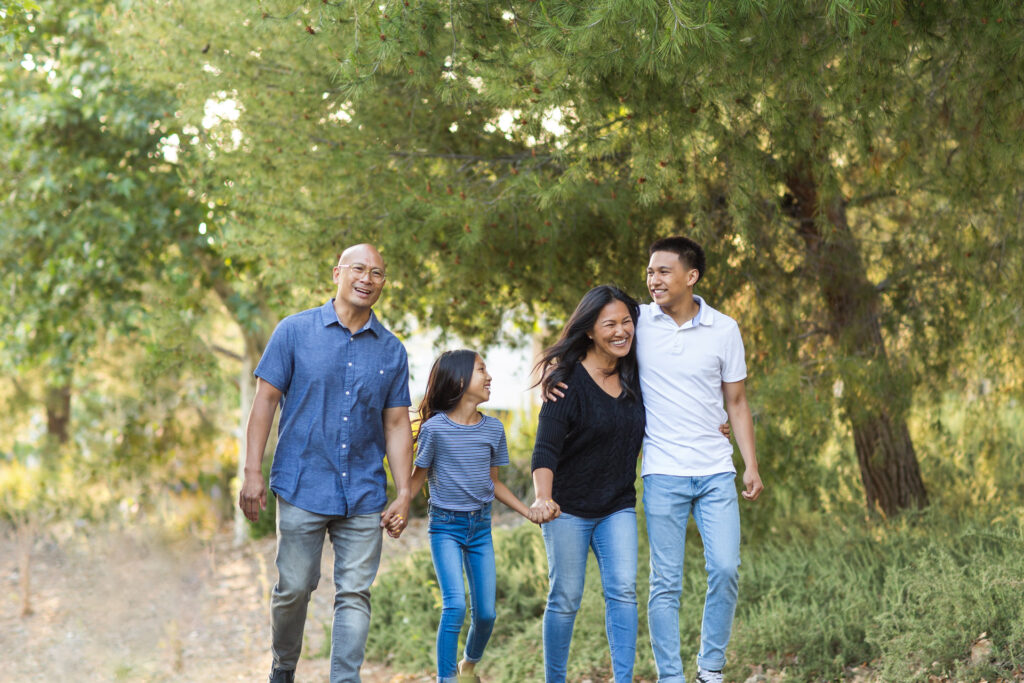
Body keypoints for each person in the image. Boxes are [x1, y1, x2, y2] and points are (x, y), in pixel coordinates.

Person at [238, 243, 414, 683]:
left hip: (364, 492)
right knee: (294, 589)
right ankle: (283, 666)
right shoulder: (294, 332)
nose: (367, 279)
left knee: (355, 594)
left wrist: (405, 491)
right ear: (337, 273)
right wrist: (253, 472)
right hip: (302, 483)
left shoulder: (392, 351)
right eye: (358, 269)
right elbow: (265, 402)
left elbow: (395, 425)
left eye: (377, 273)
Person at [640, 236, 763, 683]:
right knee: (665, 582)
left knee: (726, 567)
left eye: (663, 271)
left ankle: (710, 669)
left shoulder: (724, 329)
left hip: (714, 469)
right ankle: (670, 676)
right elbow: (592, 348)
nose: (654, 279)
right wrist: (558, 378)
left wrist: (750, 464)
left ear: (690, 277)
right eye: (650, 271)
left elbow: (738, 402)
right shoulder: (637, 323)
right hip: (662, 470)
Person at [529, 285, 647, 683]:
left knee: (623, 592)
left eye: (627, 322)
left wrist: (714, 422)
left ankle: (624, 678)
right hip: (568, 508)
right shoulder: (565, 383)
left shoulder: (636, 372)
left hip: (617, 505)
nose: (621, 331)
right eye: (609, 323)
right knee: (565, 598)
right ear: (590, 331)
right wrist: (543, 497)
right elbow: (545, 448)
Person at [408, 350, 538, 683]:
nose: (490, 376)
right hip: (445, 528)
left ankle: (469, 664)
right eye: (482, 370)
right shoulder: (435, 429)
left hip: (480, 528)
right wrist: (398, 507)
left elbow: (493, 483)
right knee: (454, 606)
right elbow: (418, 477)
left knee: (487, 614)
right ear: (460, 379)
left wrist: (529, 511)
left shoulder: (493, 430)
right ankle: (446, 678)